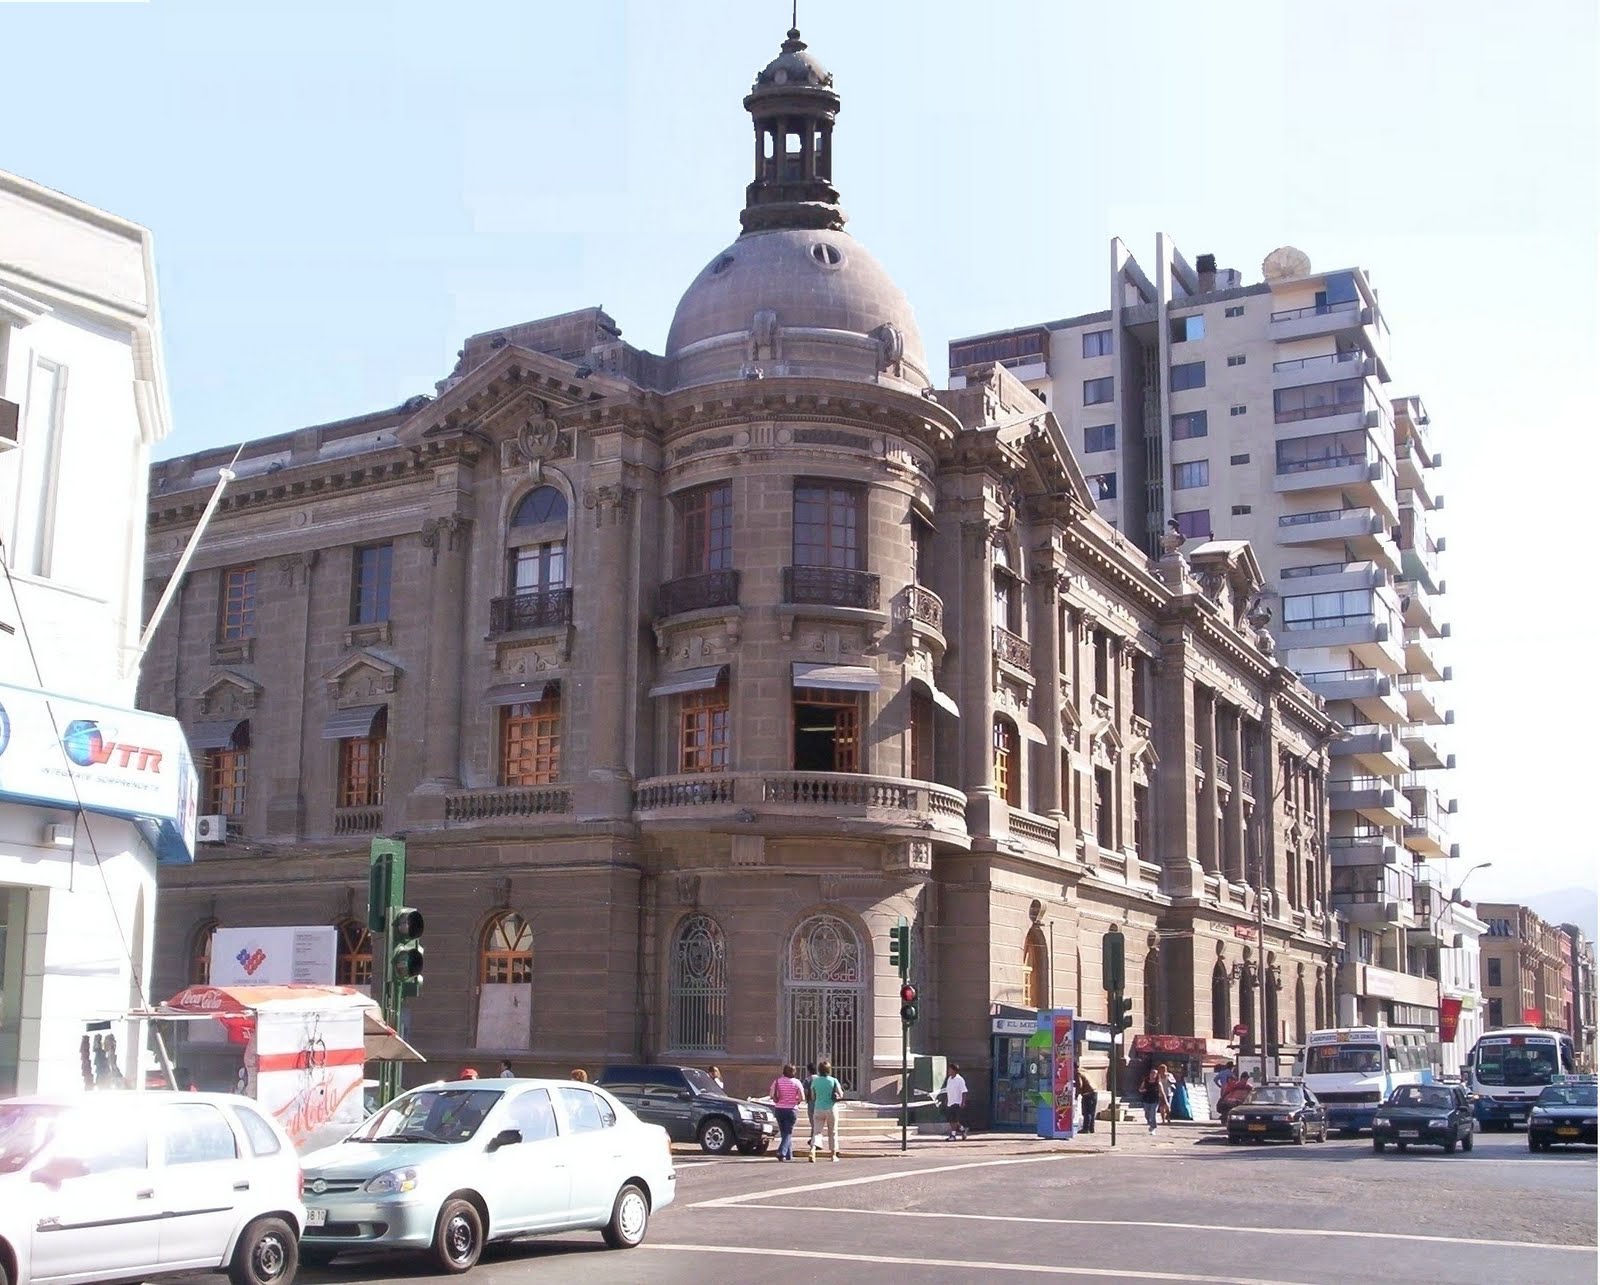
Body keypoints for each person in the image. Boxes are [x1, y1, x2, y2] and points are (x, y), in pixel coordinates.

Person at [808, 1058, 845, 1162]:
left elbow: (813, 1096)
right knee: (832, 1132)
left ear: (819, 1070)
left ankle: (813, 1149)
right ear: (829, 1070)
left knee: (817, 1132)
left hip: (818, 1108)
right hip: (831, 1108)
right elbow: (841, 1094)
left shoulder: (815, 1081)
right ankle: (833, 1155)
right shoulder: (833, 1080)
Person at [769, 1063, 806, 1161]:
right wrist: (796, 1101)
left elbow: (771, 1094)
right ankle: (781, 1152)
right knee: (788, 1132)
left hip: (779, 1109)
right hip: (791, 1109)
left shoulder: (777, 1081)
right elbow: (802, 1097)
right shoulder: (796, 1082)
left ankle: (789, 1155)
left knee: (784, 1133)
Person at [941, 1063, 969, 1140]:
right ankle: (962, 1129)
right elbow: (948, 1090)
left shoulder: (960, 1080)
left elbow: (964, 1091)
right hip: (950, 1102)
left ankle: (953, 1135)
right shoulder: (949, 1079)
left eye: (950, 1069)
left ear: (954, 1070)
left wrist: (963, 1102)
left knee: (954, 1120)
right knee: (952, 1120)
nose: (949, 1071)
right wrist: (946, 1100)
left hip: (957, 1102)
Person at [1140, 1064, 1164, 1134]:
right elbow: (1140, 1089)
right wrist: (1143, 1090)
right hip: (1146, 1100)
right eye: (1151, 1073)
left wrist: (1165, 1102)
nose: (1152, 1074)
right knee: (1147, 1115)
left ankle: (1153, 1127)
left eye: (1154, 1073)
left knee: (1153, 1114)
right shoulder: (1145, 1081)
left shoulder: (1158, 1083)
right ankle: (1150, 1124)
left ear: (1156, 1075)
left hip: (1155, 1100)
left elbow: (1162, 1092)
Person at [1075, 1069, 1098, 1134]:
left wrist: (1076, 1094)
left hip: (1087, 1093)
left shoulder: (1078, 1073)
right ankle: (1091, 1128)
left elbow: (1080, 1085)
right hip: (1094, 1091)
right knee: (1092, 1112)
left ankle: (1086, 1129)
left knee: (1086, 1112)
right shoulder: (1084, 1071)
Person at [802, 1061, 818, 1149]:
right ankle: (814, 1139)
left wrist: (805, 1098)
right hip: (819, 1102)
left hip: (811, 1102)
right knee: (817, 1123)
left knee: (813, 1123)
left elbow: (806, 1091)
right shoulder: (819, 1079)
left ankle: (814, 1140)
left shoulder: (808, 1080)